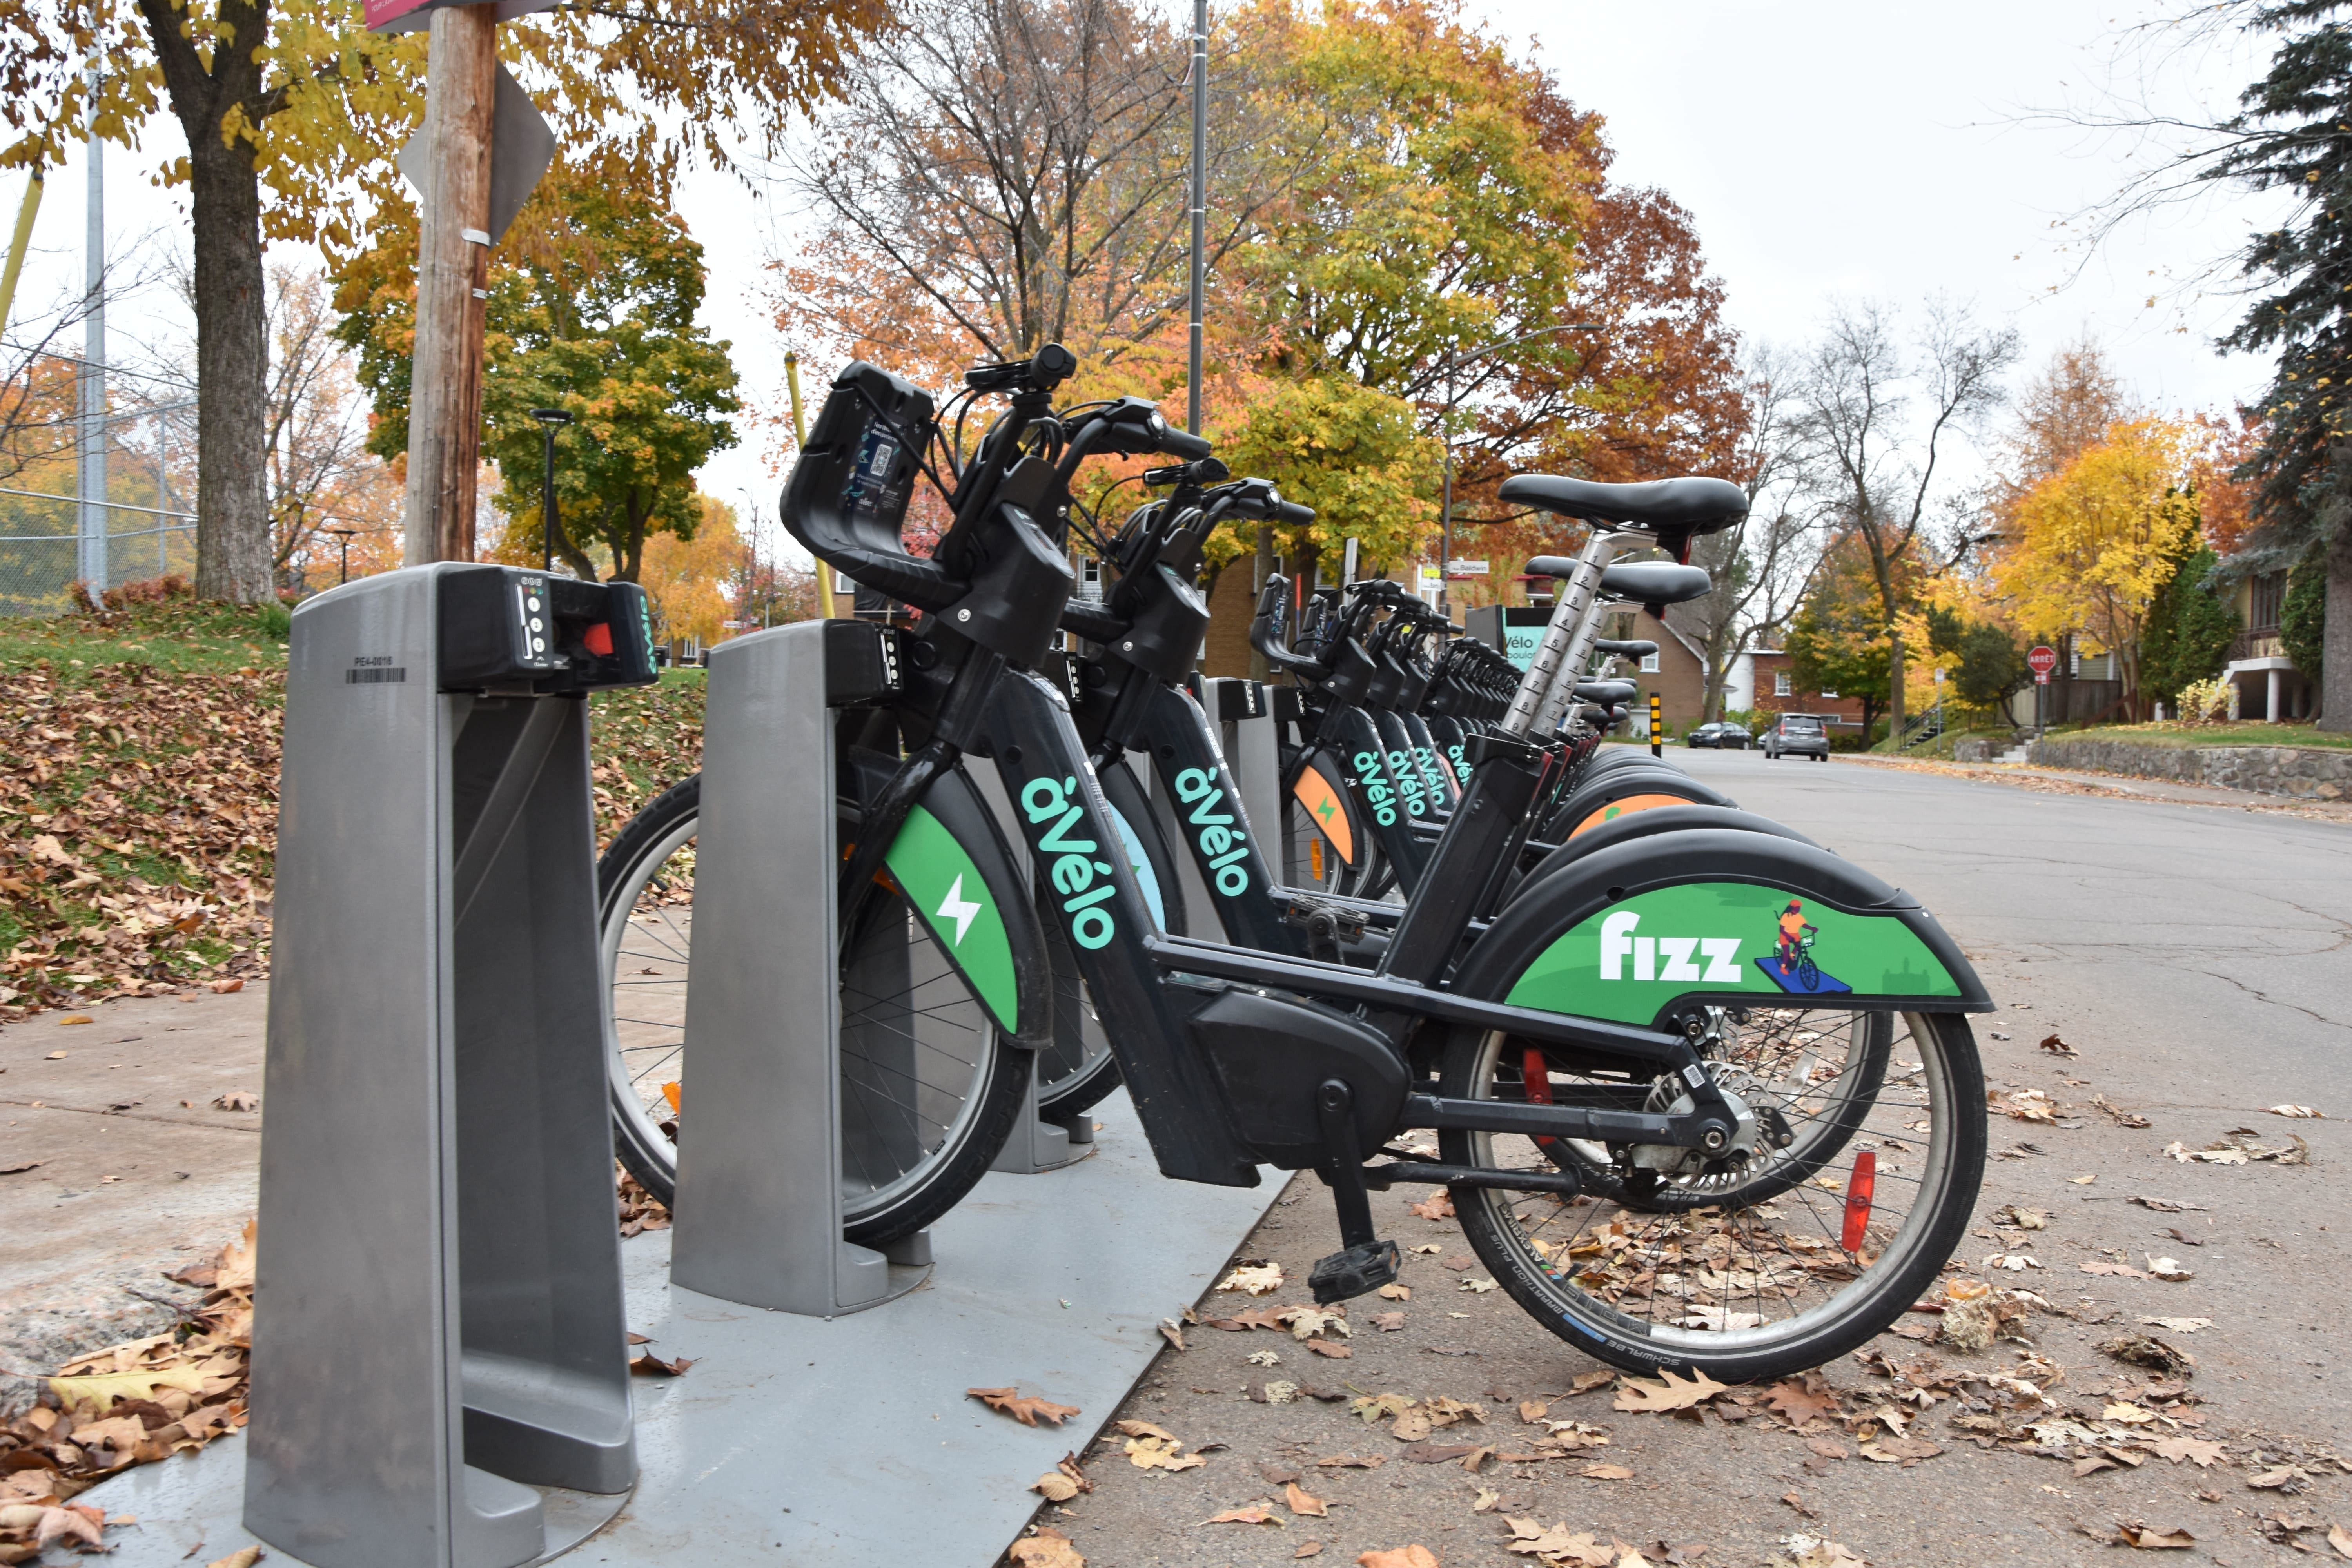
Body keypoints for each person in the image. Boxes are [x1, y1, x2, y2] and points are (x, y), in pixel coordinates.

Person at [1775, 899, 1809, 969]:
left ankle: (1792, 955)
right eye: (1797, 908)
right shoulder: (1786, 916)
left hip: (1794, 934)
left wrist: (1812, 928)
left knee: (1799, 945)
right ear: (1792, 908)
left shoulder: (1799, 916)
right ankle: (1783, 967)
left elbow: (1804, 925)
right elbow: (1782, 930)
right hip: (1785, 935)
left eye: (1799, 908)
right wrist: (1788, 936)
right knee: (1786, 952)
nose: (1799, 909)